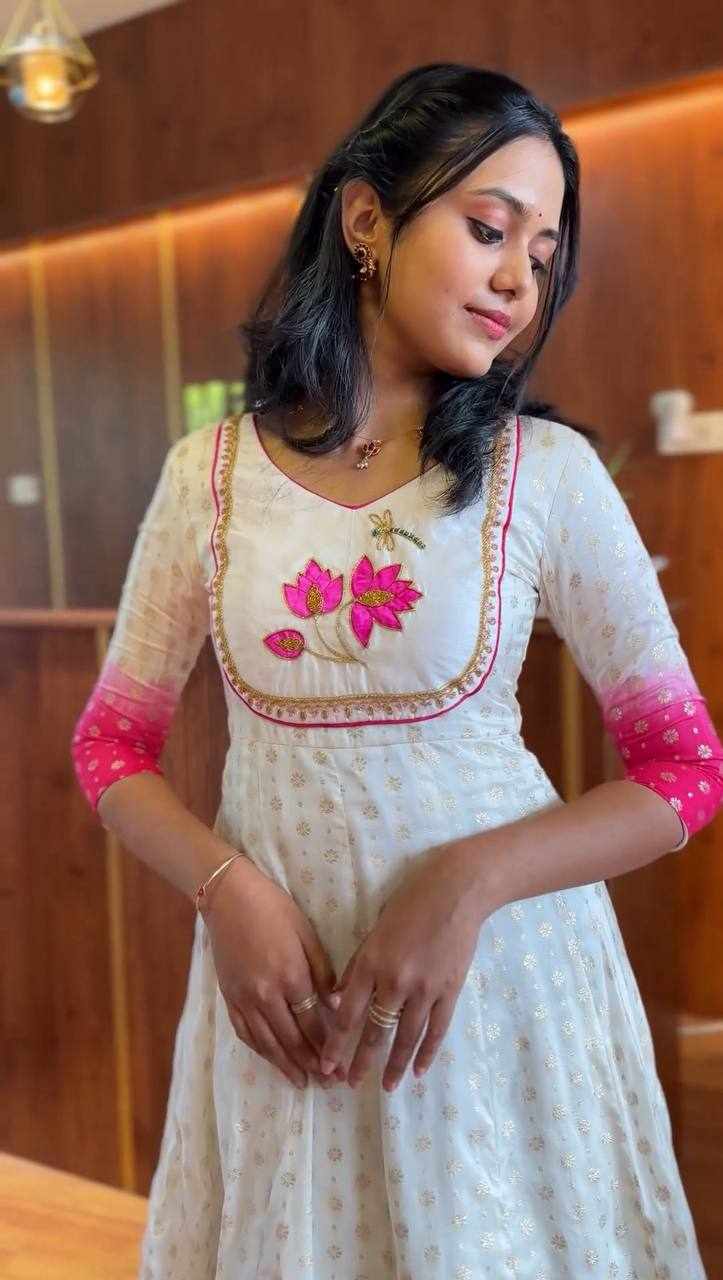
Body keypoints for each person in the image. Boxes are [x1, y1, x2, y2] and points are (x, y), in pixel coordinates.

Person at [71, 62, 722, 1280]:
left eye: (543, 255)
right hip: (286, 1014)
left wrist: (468, 882)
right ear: (367, 218)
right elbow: (109, 746)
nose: (519, 279)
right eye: (489, 228)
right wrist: (226, 888)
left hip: (498, 999)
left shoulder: (547, 474)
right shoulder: (208, 477)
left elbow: (684, 769)